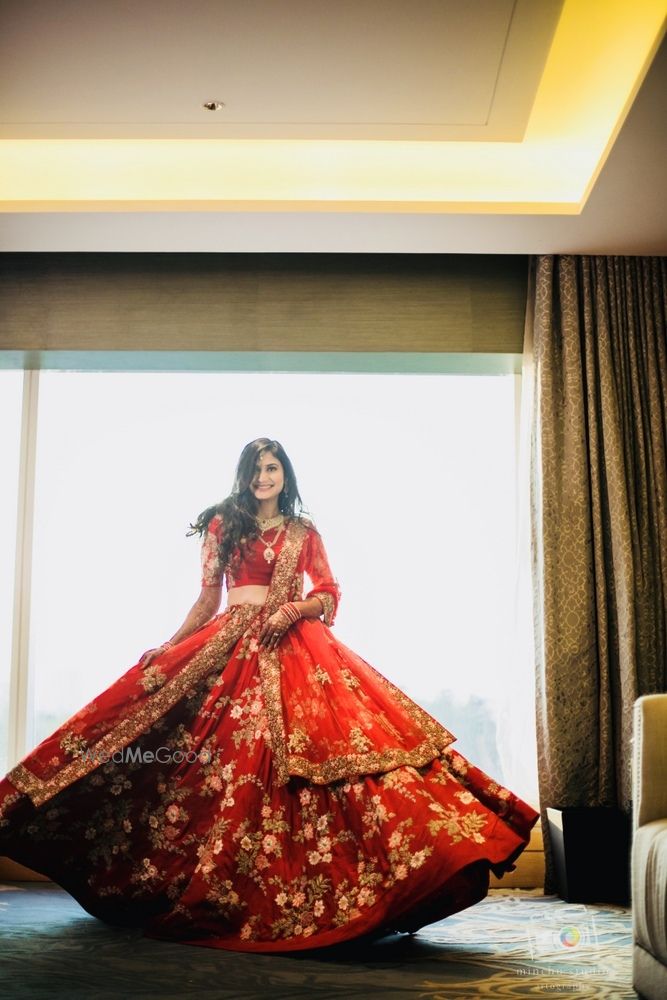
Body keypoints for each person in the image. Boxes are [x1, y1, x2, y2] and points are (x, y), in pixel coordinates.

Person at [0, 437, 539, 953]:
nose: (263, 477)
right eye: (256, 468)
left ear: (286, 475)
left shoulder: (304, 532)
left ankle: (380, 882)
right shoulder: (222, 523)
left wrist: (293, 609)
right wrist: (170, 646)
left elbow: (328, 594)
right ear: (244, 476)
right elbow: (208, 596)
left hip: (294, 643)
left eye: (272, 468)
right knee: (188, 749)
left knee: (345, 747)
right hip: (230, 643)